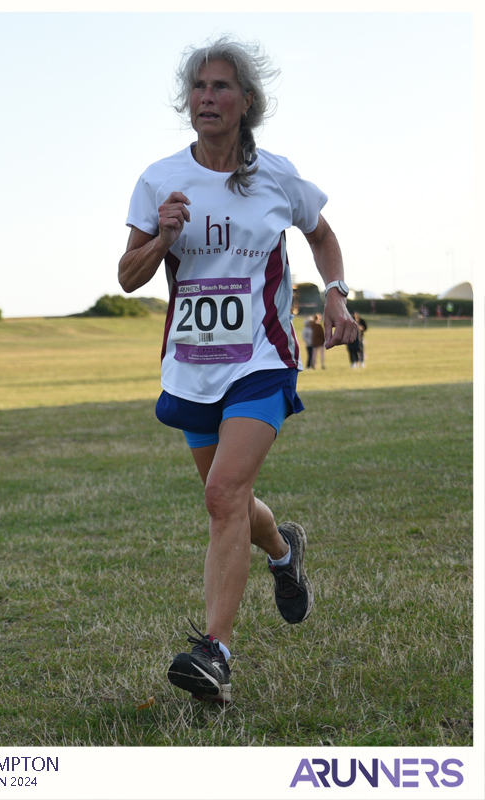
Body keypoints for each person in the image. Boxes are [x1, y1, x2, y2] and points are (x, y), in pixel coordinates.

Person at [119, 35, 357, 703]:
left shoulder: (277, 176)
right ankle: (283, 551)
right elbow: (129, 276)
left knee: (223, 495)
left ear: (248, 101)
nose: (207, 97)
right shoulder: (159, 180)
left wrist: (336, 292)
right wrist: (163, 238)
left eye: (221, 86)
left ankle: (215, 654)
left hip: (262, 361)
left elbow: (322, 233)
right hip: (192, 368)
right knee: (231, 499)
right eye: (198, 87)